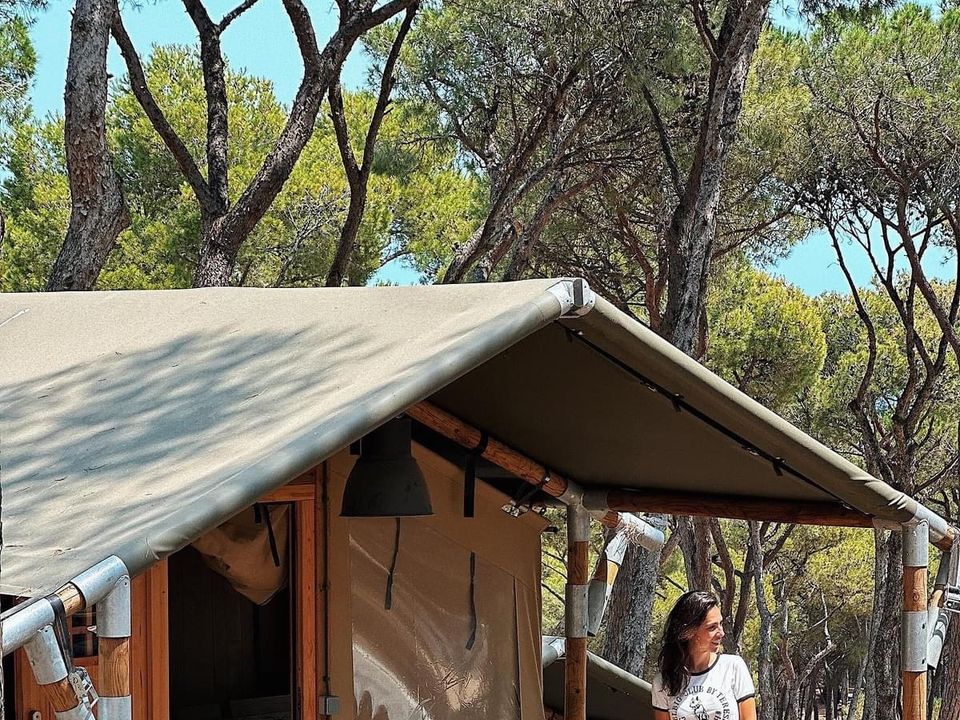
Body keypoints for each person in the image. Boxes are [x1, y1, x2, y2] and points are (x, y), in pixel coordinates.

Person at [652, 591, 758, 720]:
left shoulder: (733, 667)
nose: (722, 633)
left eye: (720, 624)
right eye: (712, 627)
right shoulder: (663, 682)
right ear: (689, 632)